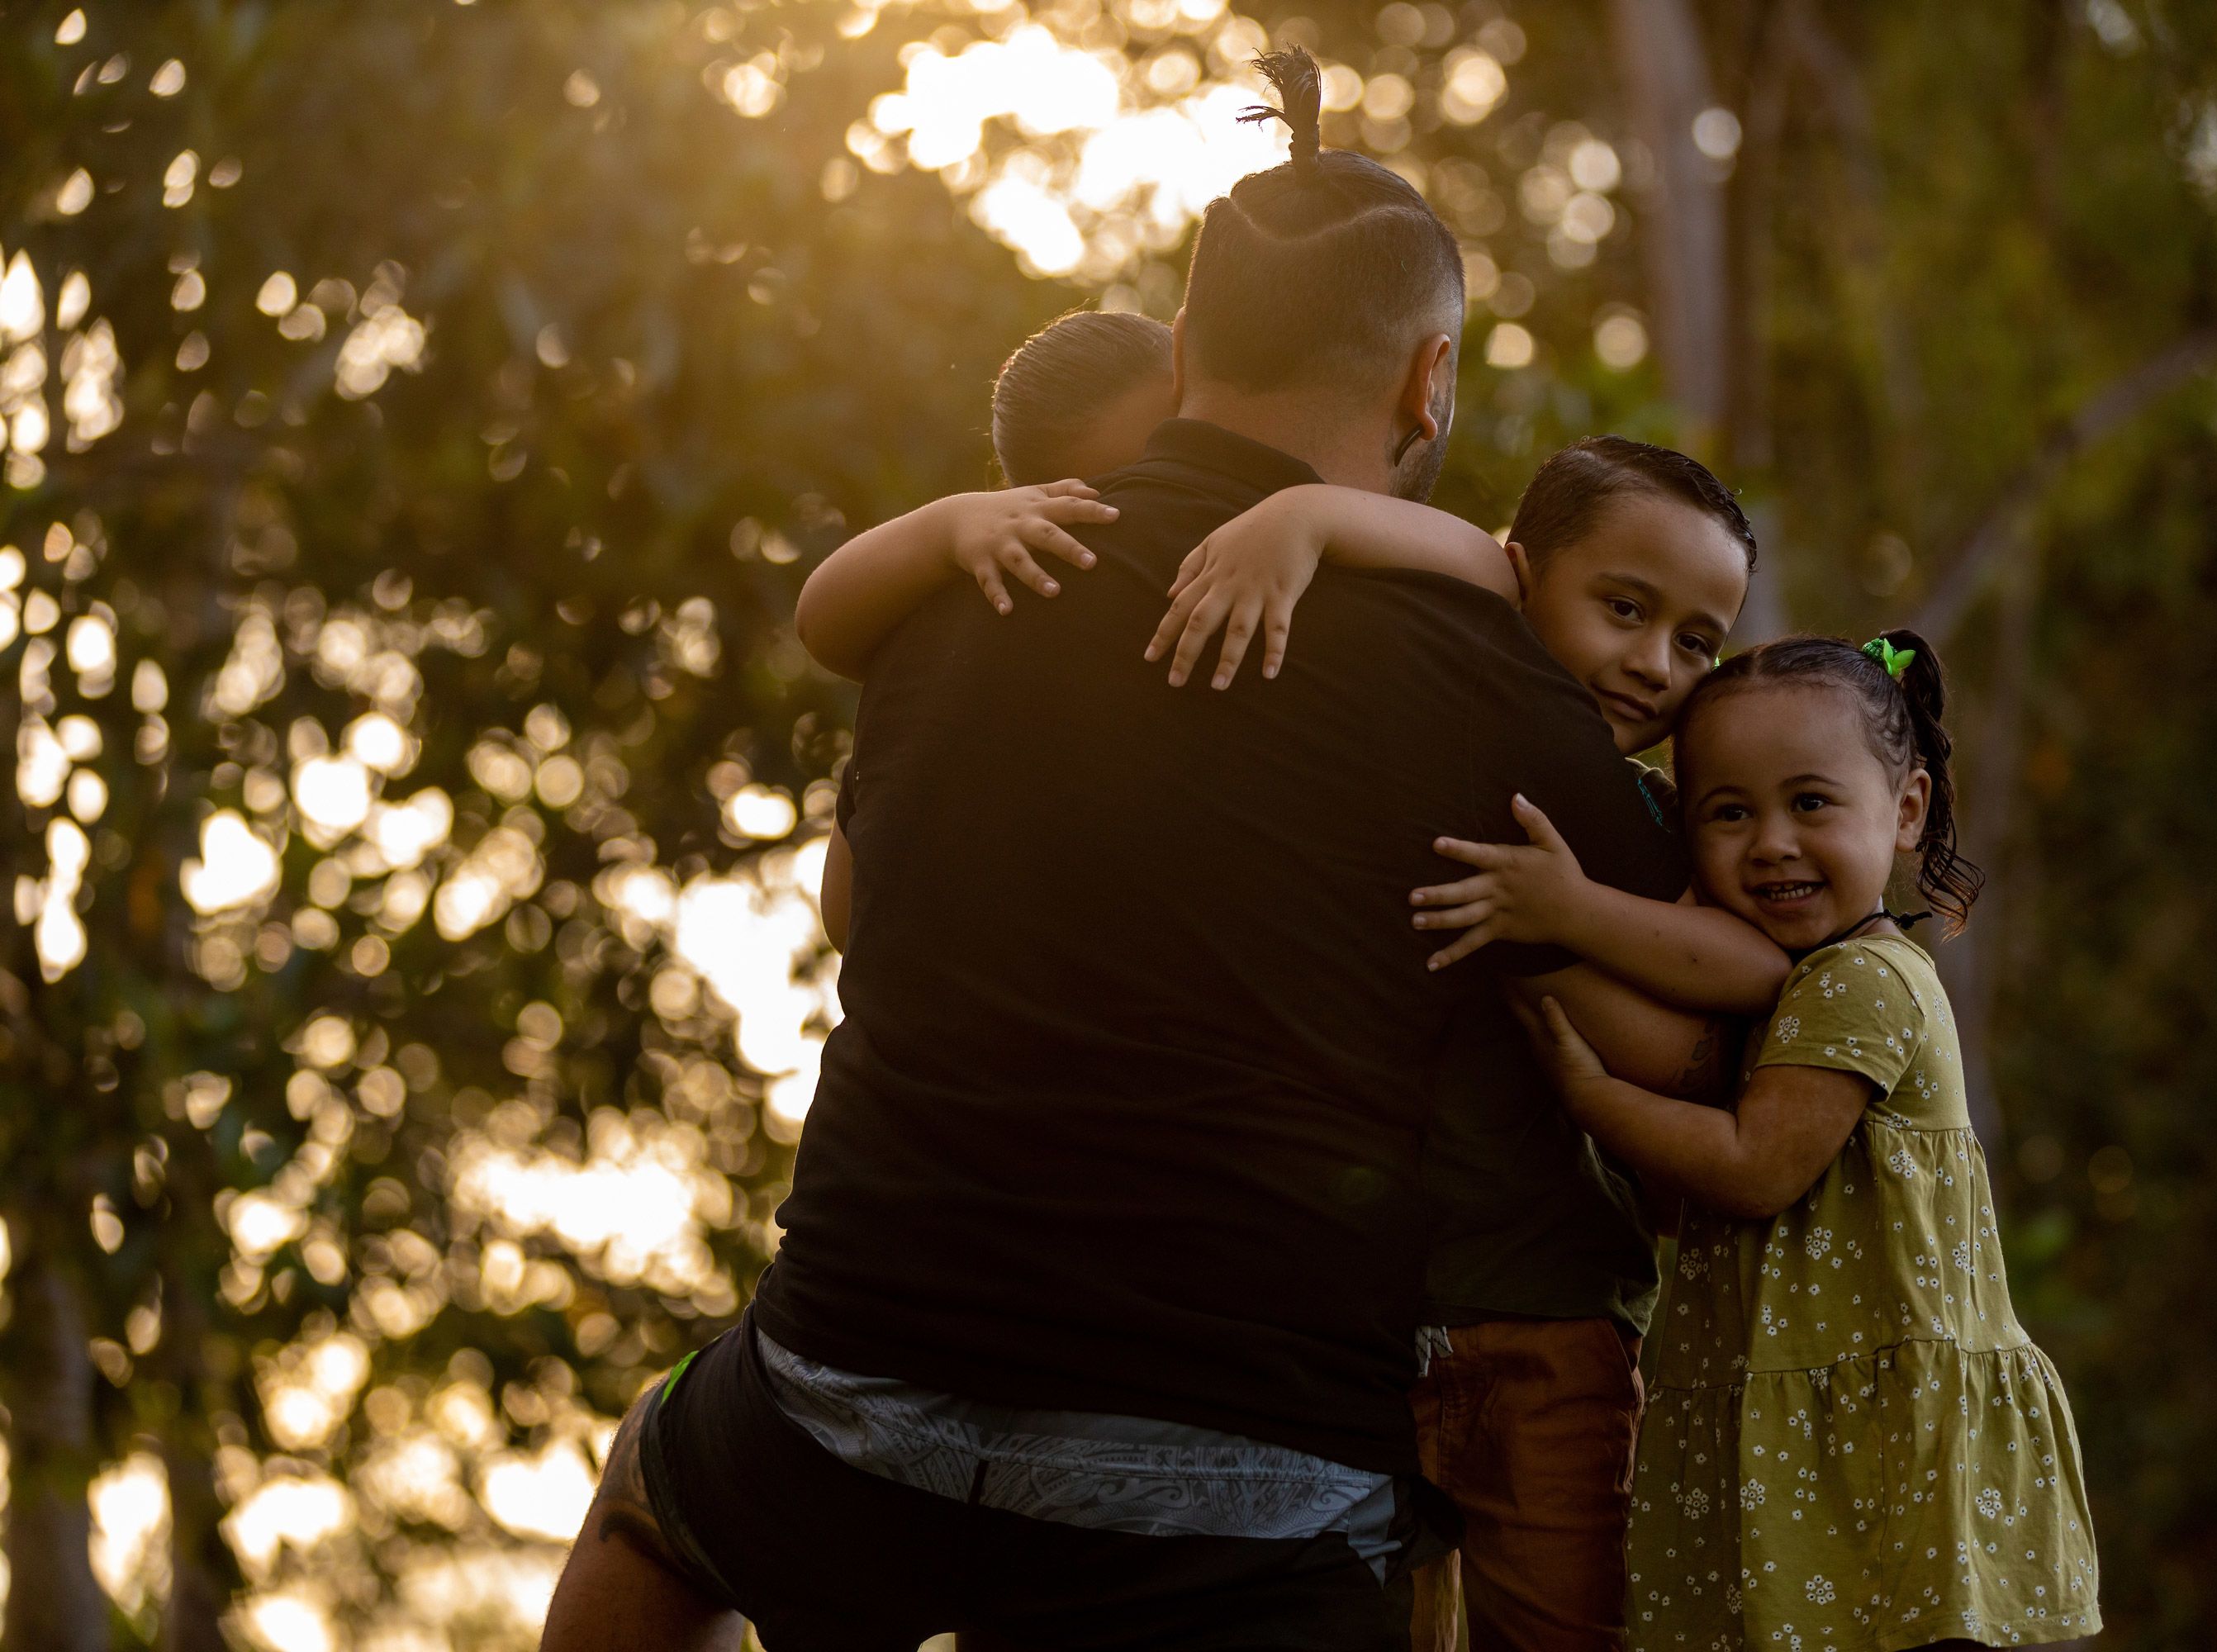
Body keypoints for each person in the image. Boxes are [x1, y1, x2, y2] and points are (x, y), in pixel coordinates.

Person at [545, 49, 1714, 1652]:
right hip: (1241, 1494)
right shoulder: (1471, 658)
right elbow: (1682, 1007)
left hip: (847, 1402)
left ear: (1182, 350)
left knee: (653, 1495)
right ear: (1427, 384)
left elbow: (859, 907)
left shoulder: (971, 580)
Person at [800, 354, 1794, 1647]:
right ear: (1517, 577)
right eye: (1623, 609)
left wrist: (1561, 928)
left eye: (1696, 642)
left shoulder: (1620, 829)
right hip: (1368, 1327)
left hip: (1539, 1313)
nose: (1655, 663)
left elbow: (1713, 1002)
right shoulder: (1438, 690)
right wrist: (1303, 518)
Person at [1511, 631, 2103, 1651]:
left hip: (1882, 1454)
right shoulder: (1795, 984)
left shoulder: (1861, 980)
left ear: (1906, 809)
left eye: (1811, 803)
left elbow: (1753, 1166)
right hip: (1819, 1436)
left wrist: (1586, 1091)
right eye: (1729, 813)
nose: (1771, 842)